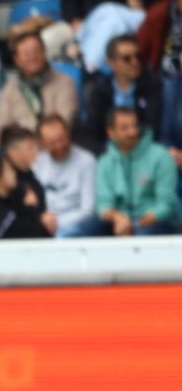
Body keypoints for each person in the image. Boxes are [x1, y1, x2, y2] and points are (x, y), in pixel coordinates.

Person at [96, 106, 180, 234]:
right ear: (110, 132)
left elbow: (167, 205)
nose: (132, 132)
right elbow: (102, 205)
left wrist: (135, 225)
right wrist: (118, 218)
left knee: (140, 237)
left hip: (157, 222)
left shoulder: (161, 156)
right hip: (119, 222)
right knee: (82, 230)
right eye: (125, 128)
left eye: (135, 126)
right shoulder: (104, 162)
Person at [79, 34, 164, 152]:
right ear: (111, 63)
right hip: (109, 153)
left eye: (138, 56)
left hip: (144, 150)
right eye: (127, 58)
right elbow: (92, 132)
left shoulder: (151, 85)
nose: (135, 62)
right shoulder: (99, 90)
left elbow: (152, 127)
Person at [0, 31, 79, 144]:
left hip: (57, 148)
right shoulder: (9, 90)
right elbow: (0, 132)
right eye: (26, 53)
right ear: (16, 59)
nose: (33, 57)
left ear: (44, 52)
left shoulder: (65, 82)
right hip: (23, 152)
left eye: (36, 51)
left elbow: (66, 120)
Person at [136, 0, 182, 151]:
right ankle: (167, 148)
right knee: (169, 84)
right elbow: (138, 52)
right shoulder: (160, 13)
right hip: (163, 81)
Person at [32, 114, 101, 238]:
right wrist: (42, 218)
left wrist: (57, 223)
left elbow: (88, 210)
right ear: (41, 143)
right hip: (46, 221)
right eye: (52, 143)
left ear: (69, 134)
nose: (59, 146)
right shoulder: (36, 162)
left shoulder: (86, 160)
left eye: (62, 139)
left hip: (78, 223)